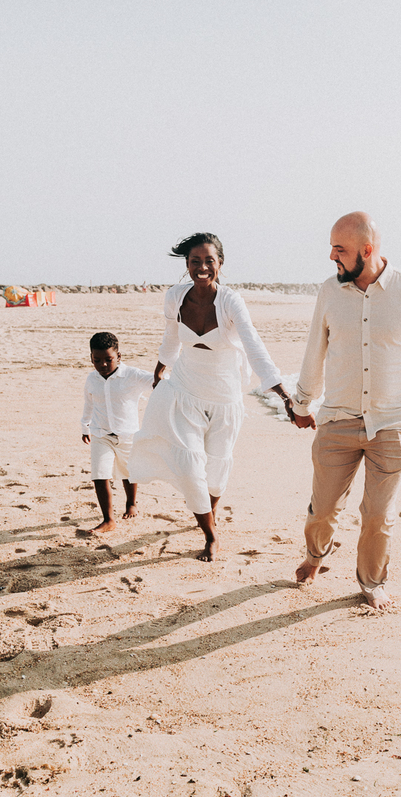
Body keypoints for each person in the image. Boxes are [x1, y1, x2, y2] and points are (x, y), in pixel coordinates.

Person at [291, 212, 401, 609]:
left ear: (367, 251)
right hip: (337, 417)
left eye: (340, 250)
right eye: (332, 248)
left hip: (391, 424)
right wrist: (302, 403)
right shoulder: (329, 292)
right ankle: (316, 556)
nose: (332, 257)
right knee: (322, 511)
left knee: (378, 516)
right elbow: (314, 350)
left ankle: (371, 582)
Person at [130, 233, 294, 561]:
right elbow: (171, 339)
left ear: (220, 264)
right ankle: (210, 534)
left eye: (209, 261)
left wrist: (281, 391)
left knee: (216, 471)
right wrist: (158, 372)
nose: (202, 267)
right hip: (185, 392)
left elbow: (253, 345)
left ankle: (210, 513)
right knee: (191, 467)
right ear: (186, 265)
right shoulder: (175, 297)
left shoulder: (231, 301)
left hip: (225, 397)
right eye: (195, 262)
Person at [81, 331, 153, 533]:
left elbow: (159, 382)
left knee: (129, 472)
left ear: (119, 356)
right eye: (97, 360)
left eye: (108, 359)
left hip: (128, 434)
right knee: (99, 474)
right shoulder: (92, 379)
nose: (103, 364)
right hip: (100, 434)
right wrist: (84, 426)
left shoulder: (132, 375)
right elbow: (89, 403)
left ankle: (131, 503)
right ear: (91, 358)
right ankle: (108, 519)